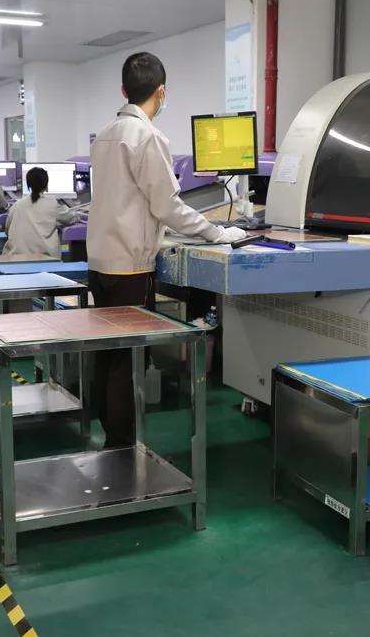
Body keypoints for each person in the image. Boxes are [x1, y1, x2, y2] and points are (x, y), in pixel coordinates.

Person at [87, 51, 245, 448]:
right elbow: (168, 206)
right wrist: (216, 233)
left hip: (101, 263)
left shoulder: (104, 135)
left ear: (123, 90)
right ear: (161, 92)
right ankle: (121, 447)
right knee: (128, 360)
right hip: (130, 268)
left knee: (107, 355)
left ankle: (110, 436)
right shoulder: (148, 137)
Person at [3, 166, 79, 257]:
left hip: (17, 259)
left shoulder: (17, 205)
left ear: (28, 185)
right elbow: (72, 218)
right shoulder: (52, 204)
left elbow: (7, 230)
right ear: (46, 185)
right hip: (45, 259)